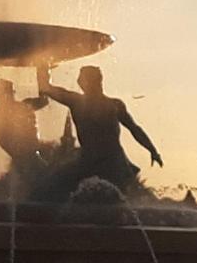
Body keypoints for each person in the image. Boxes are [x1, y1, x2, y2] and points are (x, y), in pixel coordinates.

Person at [32, 64, 162, 199]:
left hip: (112, 161)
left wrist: (152, 150)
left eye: (83, 80)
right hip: (90, 160)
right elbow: (45, 88)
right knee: (56, 184)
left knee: (117, 195)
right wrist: (42, 65)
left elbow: (134, 129)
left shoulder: (111, 105)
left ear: (95, 82)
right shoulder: (78, 101)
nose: (80, 82)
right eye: (80, 80)